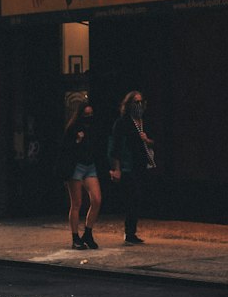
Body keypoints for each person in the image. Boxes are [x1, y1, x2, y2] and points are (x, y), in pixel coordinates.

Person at [107, 89, 156, 244]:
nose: (139, 105)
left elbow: (153, 142)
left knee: (138, 197)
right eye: (136, 102)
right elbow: (115, 147)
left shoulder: (144, 121)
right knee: (132, 197)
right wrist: (116, 168)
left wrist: (147, 140)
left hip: (141, 164)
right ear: (129, 104)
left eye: (141, 102)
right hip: (128, 165)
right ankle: (129, 232)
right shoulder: (123, 122)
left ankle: (132, 231)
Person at [57, 100, 101, 249]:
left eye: (91, 114)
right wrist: (77, 140)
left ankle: (88, 233)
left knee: (96, 199)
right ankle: (75, 238)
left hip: (90, 166)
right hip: (76, 166)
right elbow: (64, 149)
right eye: (86, 114)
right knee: (76, 203)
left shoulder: (94, 128)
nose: (89, 117)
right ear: (80, 114)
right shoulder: (73, 128)